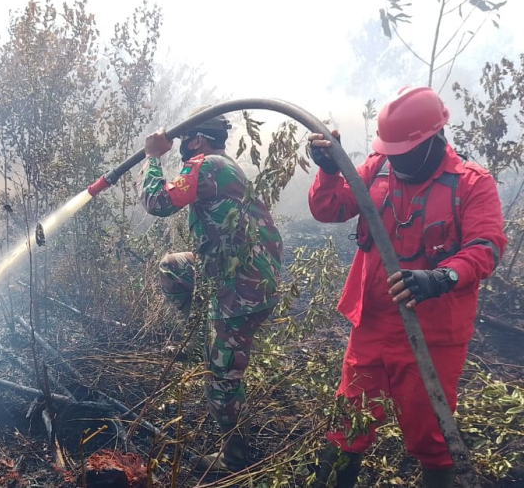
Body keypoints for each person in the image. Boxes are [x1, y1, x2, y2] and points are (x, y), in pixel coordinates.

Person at [306, 85, 507, 488]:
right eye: (390, 151)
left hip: (432, 334)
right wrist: (330, 170)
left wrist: (441, 277)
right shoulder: (378, 168)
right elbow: (330, 208)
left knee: (430, 431)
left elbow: (486, 247)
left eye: (403, 153)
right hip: (372, 326)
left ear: (433, 140)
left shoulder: (470, 184)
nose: (395, 160)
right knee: (348, 419)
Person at [138, 110, 283, 473]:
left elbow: (158, 202)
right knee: (172, 267)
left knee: (221, 381)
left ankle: (237, 460)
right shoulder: (221, 166)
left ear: (198, 140)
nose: (183, 148)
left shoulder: (207, 165)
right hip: (230, 273)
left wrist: (153, 157)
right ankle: (205, 336)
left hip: (240, 288)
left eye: (186, 141)